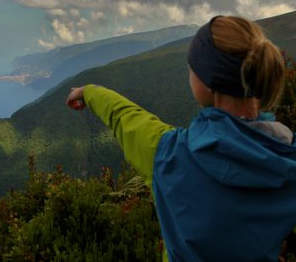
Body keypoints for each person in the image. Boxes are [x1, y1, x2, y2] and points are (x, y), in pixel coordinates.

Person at [66, 15, 296, 262]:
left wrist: (88, 92)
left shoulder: (169, 156)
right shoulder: (287, 162)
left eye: (192, 67)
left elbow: (126, 118)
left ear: (208, 83)